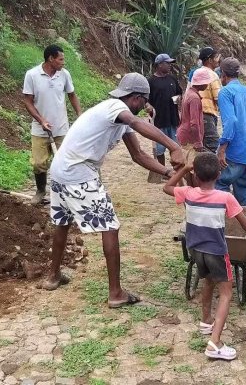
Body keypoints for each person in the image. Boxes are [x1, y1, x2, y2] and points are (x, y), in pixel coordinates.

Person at [42, 73, 185, 308]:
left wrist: (168, 172)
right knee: (110, 226)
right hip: (78, 173)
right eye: (144, 102)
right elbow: (137, 123)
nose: (144, 108)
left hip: (60, 170)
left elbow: (138, 155)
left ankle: (53, 276)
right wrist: (173, 146)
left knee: (63, 222)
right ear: (137, 99)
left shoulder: (118, 119)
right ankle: (115, 293)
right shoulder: (115, 108)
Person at [163, 152, 246, 360]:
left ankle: (206, 321)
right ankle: (215, 343)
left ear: (196, 174)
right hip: (217, 252)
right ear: (219, 175)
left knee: (209, 281)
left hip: (196, 250)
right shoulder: (225, 198)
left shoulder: (189, 193)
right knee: (227, 293)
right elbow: (245, 223)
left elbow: (166, 187)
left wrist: (184, 169)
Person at [23, 44, 82, 203]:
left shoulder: (64, 75)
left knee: (64, 162)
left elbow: (72, 95)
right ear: (51, 59)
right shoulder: (32, 75)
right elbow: (28, 102)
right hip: (39, 129)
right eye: (61, 59)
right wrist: (41, 120)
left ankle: (65, 195)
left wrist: (80, 114)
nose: (63, 62)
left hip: (61, 128)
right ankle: (41, 192)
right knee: (39, 163)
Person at [215, 57, 246, 206]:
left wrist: (222, 148)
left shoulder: (225, 93)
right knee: (243, 192)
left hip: (234, 151)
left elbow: (231, 121)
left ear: (223, 74)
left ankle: (222, 223)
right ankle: (242, 226)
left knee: (220, 183)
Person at [177, 68, 216, 185]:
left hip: (184, 133)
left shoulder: (188, 93)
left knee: (187, 165)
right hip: (190, 137)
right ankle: (192, 190)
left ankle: (189, 189)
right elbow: (194, 123)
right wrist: (198, 142)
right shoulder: (194, 98)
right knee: (192, 168)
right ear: (202, 83)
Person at [147, 53, 182, 169]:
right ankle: (161, 170)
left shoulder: (172, 78)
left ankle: (176, 168)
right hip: (158, 121)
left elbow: (179, 93)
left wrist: (177, 99)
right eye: (167, 63)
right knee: (159, 149)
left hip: (173, 119)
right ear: (159, 65)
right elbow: (145, 99)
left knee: (175, 145)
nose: (170, 66)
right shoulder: (151, 81)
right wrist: (148, 106)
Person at [188, 47, 222, 152]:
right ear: (210, 60)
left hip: (195, 112)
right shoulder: (213, 75)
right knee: (213, 144)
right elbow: (217, 98)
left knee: (202, 142)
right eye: (216, 57)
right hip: (208, 114)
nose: (218, 60)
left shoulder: (196, 73)